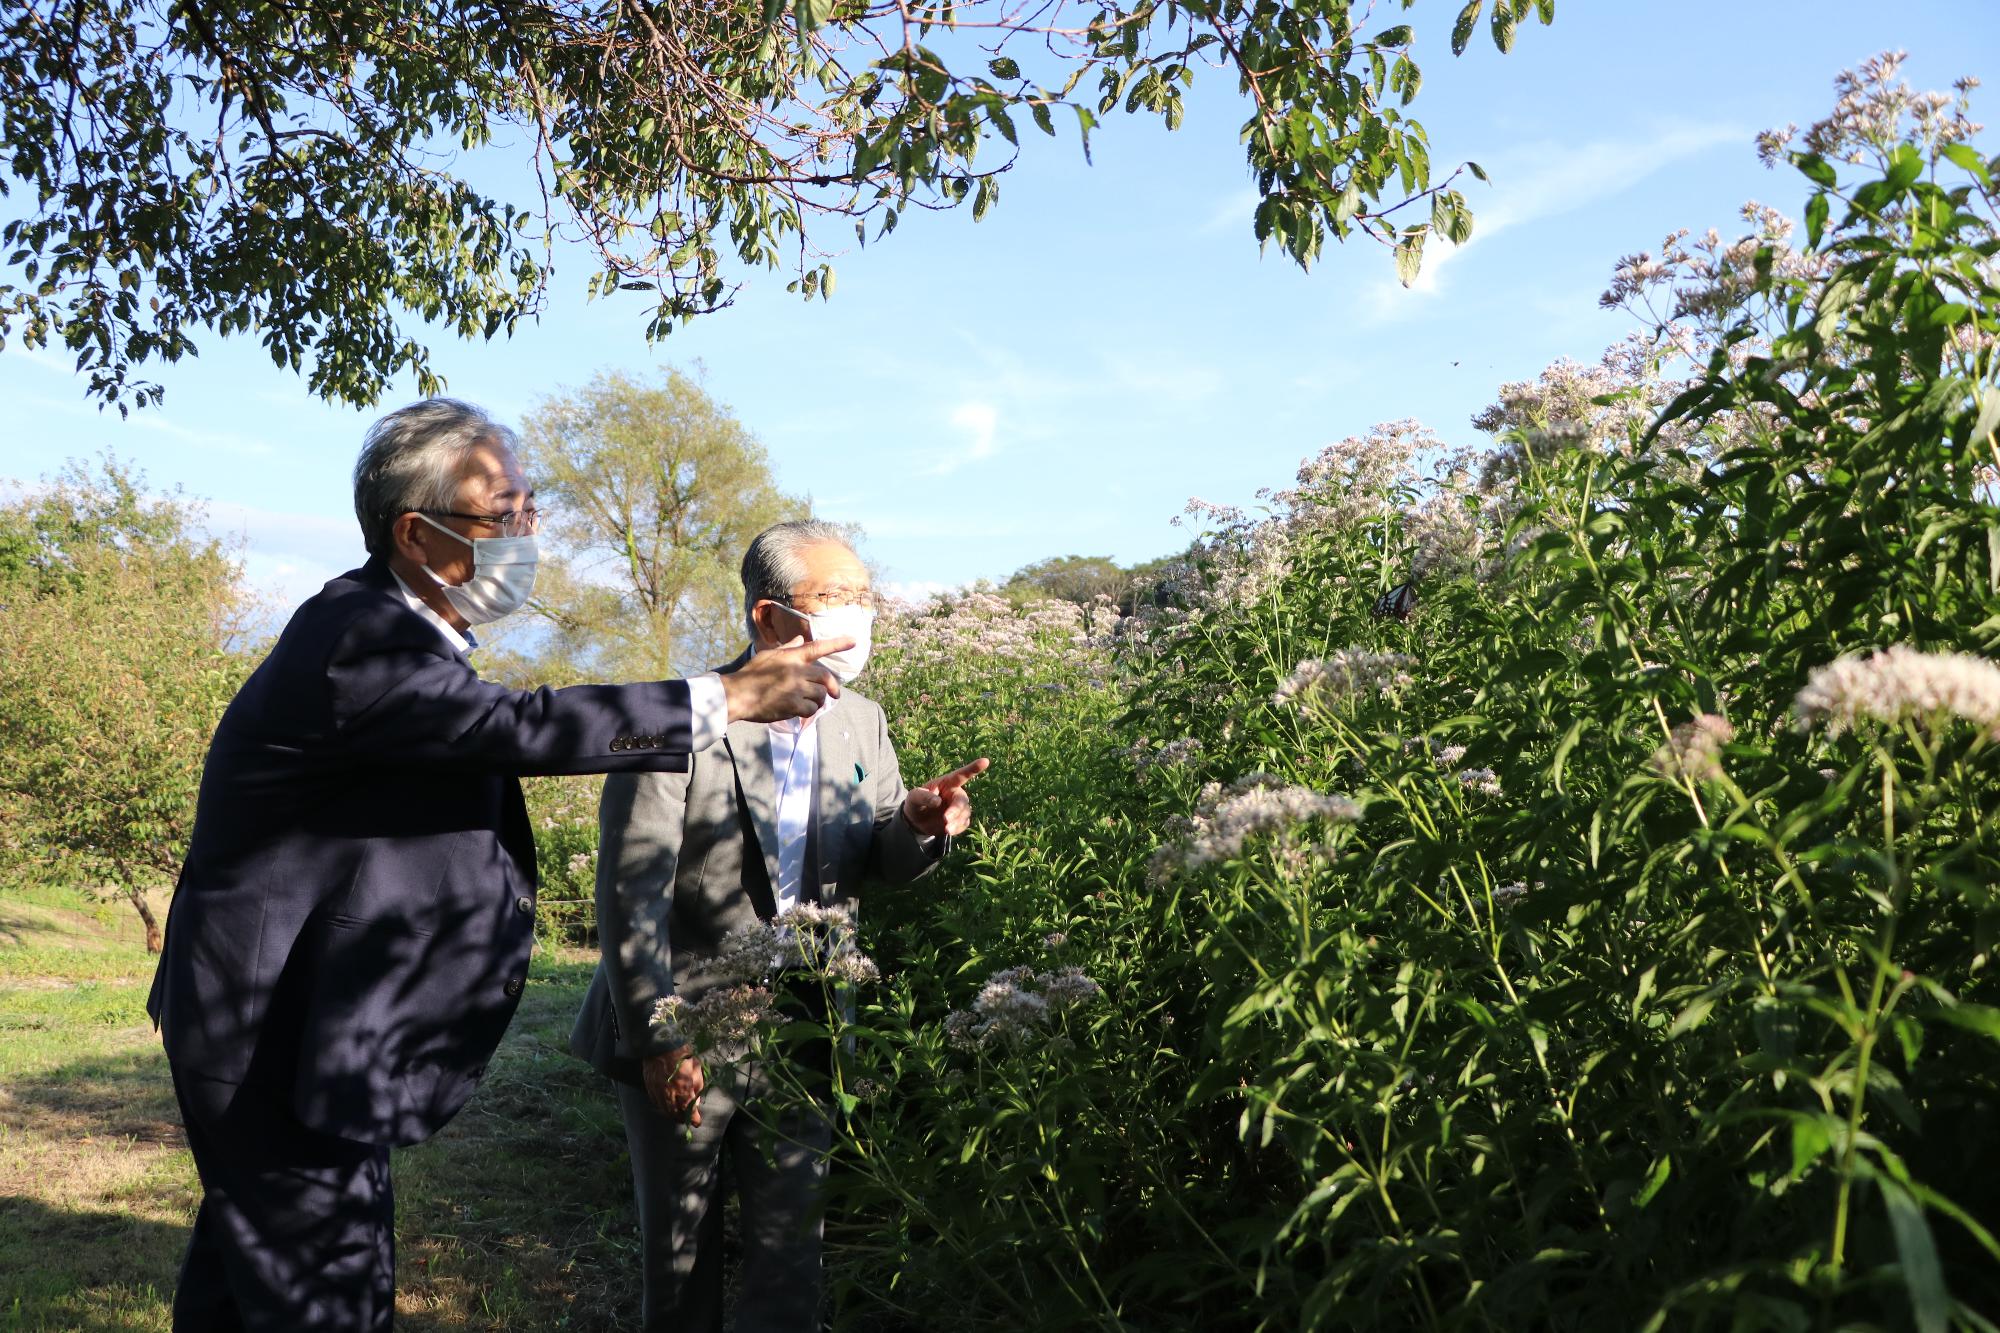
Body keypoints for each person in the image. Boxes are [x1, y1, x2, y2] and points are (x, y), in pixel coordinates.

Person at [145, 399, 850, 1332]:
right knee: (324, 1298)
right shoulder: (361, 636)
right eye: (502, 515)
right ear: (417, 532)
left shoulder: (390, 633)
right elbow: (512, 728)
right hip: (272, 1030)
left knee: (244, 1287)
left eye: (529, 507)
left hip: (296, 1021)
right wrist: (722, 694)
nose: (526, 532)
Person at [571, 520, 986, 1333]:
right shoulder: (678, 718)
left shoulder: (861, 720)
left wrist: (919, 821)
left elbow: (881, 857)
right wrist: (661, 1038)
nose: (859, 615)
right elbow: (631, 893)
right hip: (688, 1018)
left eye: (866, 596)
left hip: (810, 1025)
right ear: (770, 619)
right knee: (681, 1249)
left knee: (794, 1249)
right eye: (836, 598)